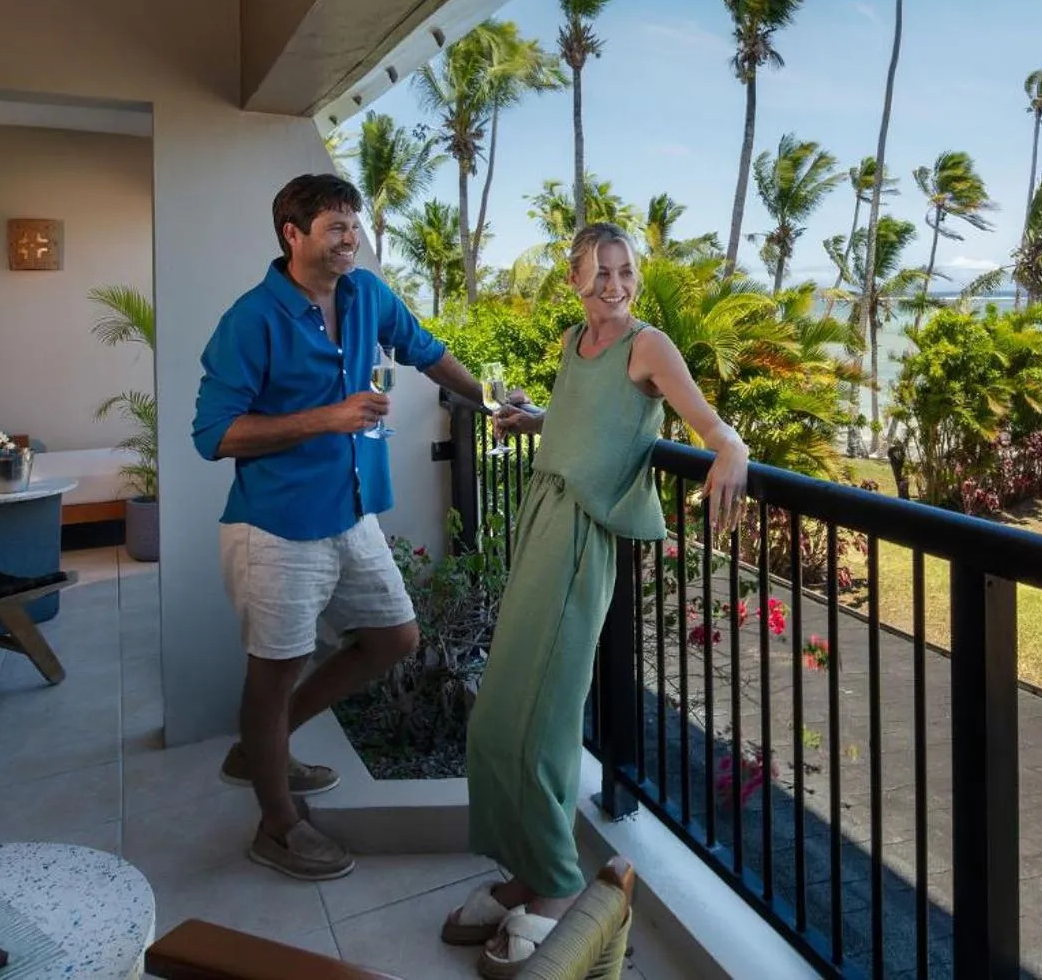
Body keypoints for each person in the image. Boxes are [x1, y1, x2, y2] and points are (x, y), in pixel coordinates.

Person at [442, 222, 748, 975]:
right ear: (574, 280)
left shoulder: (649, 346)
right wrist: (537, 421)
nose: (615, 284)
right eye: (600, 271)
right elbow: (590, 422)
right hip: (540, 519)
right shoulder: (574, 342)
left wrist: (733, 448)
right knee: (498, 713)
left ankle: (554, 882)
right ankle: (523, 869)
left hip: (582, 538)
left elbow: (709, 425)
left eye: (625, 270)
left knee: (543, 718)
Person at [192, 172, 484, 881]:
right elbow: (214, 434)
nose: (351, 237)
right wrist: (327, 418)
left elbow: (425, 348)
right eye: (335, 226)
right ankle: (277, 826)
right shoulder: (250, 319)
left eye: (354, 224)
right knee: (274, 673)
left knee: (394, 638)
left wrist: (491, 399)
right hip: (277, 526)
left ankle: (262, 746)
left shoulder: (366, 296)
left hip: (353, 513)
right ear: (292, 235)